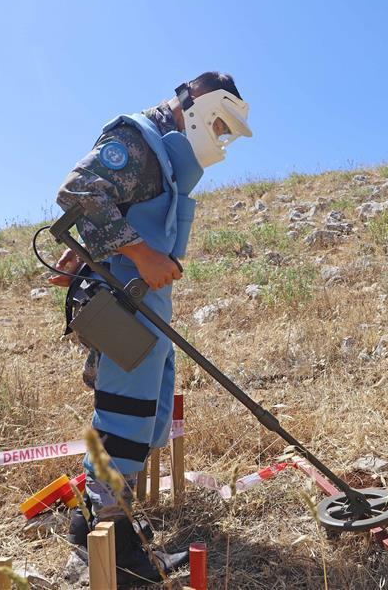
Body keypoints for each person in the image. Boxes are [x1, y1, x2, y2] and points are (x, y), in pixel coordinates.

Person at [49, 72, 252, 585]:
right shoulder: (138, 140)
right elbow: (78, 189)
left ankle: (93, 526)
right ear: (201, 105)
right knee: (123, 415)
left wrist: (92, 247)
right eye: (222, 126)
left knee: (147, 413)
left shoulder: (164, 158)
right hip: (125, 302)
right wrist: (138, 254)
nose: (221, 138)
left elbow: (116, 207)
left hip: (143, 304)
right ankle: (110, 544)